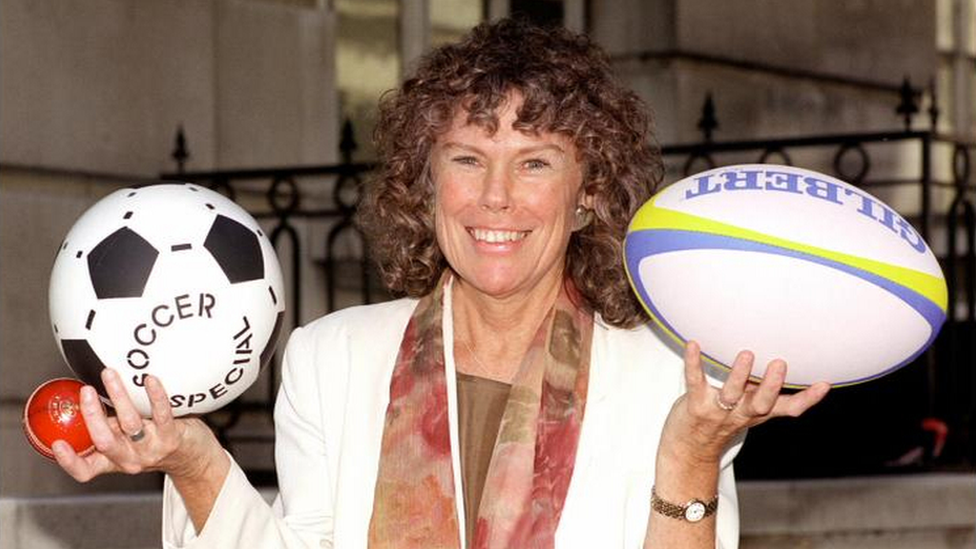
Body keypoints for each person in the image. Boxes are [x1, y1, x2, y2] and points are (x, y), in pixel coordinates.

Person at [52, 18, 829, 549]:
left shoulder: (671, 377)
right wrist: (192, 457)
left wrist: (691, 456)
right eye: (466, 158)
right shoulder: (332, 358)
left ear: (588, 192)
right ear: (424, 185)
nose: (496, 196)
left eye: (534, 162)